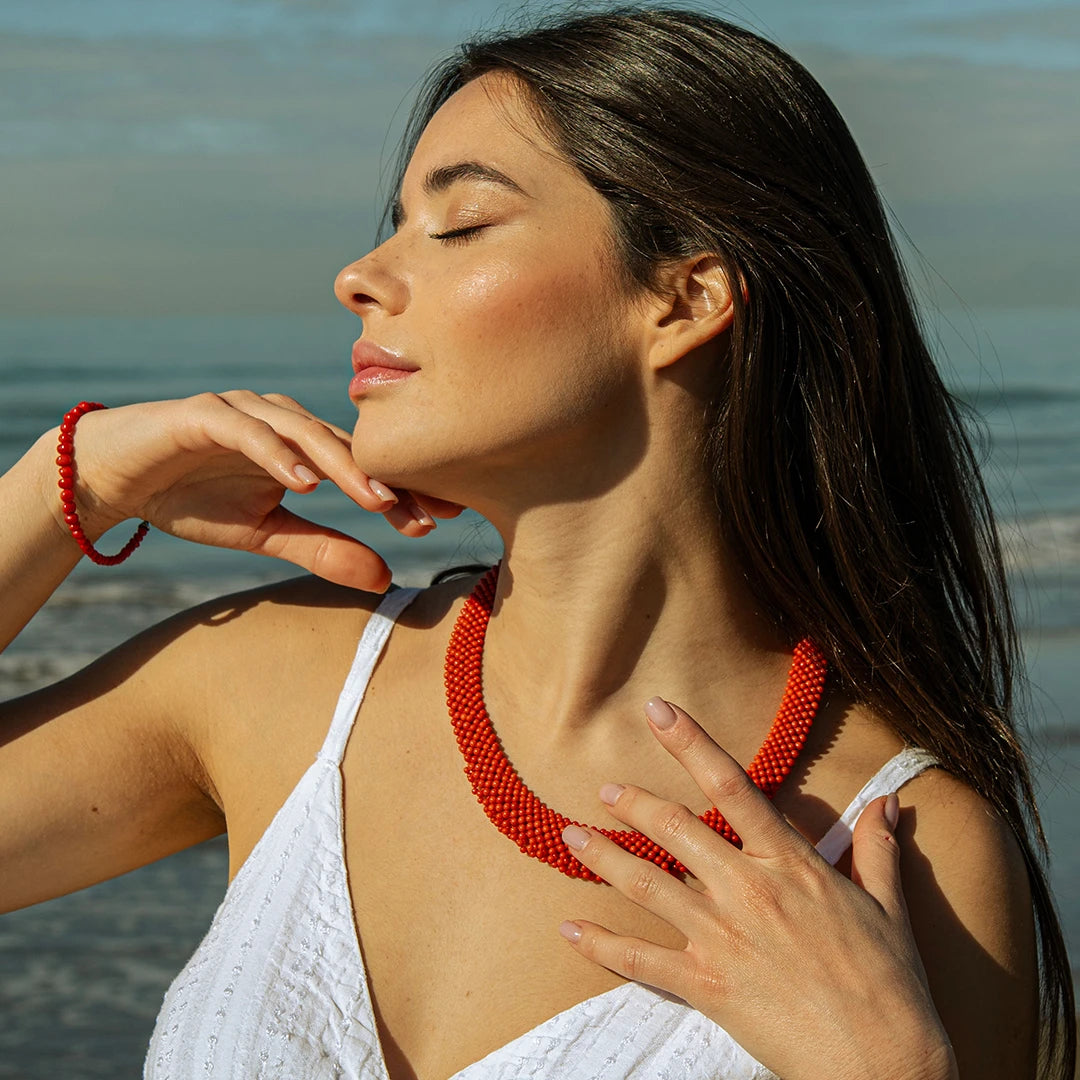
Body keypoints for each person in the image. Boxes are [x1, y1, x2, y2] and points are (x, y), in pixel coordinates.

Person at [0, 6, 1073, 1079]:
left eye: (459, 223)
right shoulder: (271, 685)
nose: (358, 275)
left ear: (684, 297)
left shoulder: (908, 847)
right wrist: (70, 485)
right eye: (396, 222)